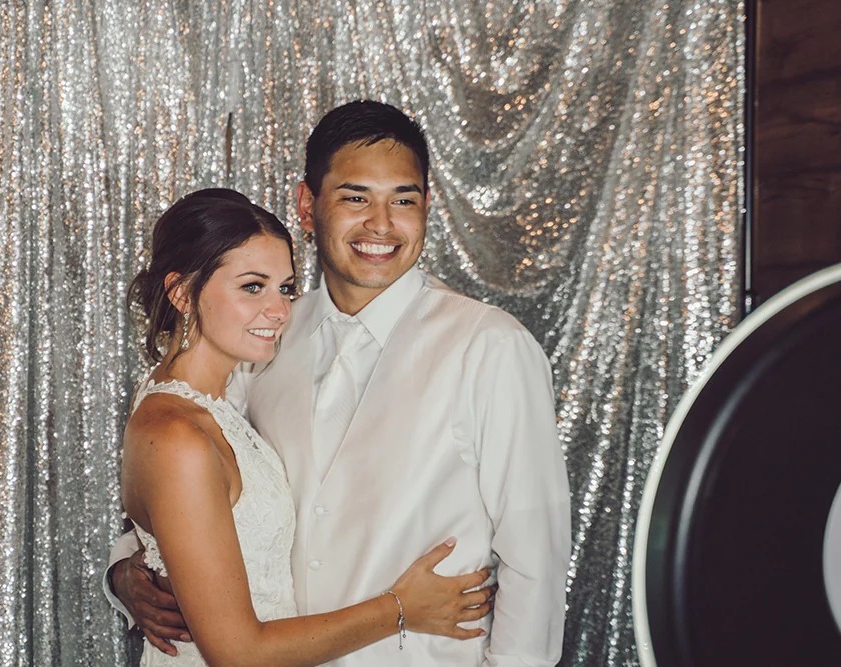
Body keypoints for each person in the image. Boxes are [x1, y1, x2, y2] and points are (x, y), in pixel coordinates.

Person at [108, 101, 572, 666]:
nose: (381, 224)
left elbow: (535, 553)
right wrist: (126, 573)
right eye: (356, 198)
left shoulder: (490, 346)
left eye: (403, 200)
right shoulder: (264, 336)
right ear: (308, 206)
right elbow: (199, 476)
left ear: (428, 206)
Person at [118, 188, 494, 666]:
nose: (279, 311)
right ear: (181, 292)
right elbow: (236, 654)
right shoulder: (177, 434)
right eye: (253, 286)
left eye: (286, 288)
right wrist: (400, 608)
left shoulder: (208, 401)